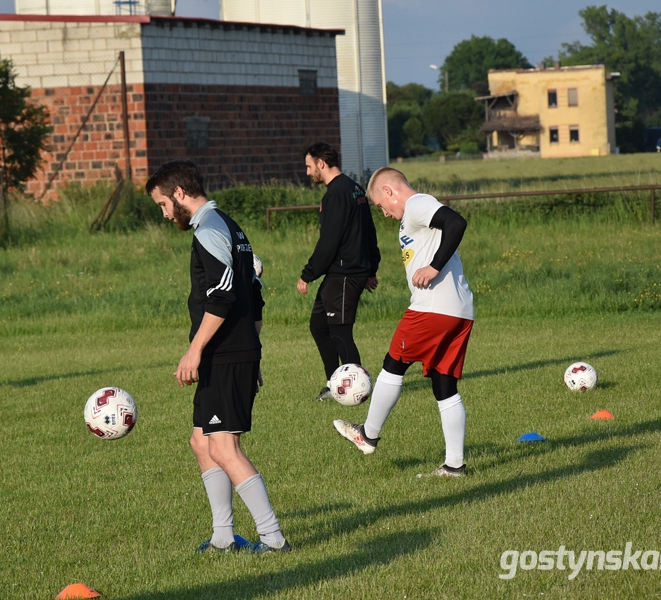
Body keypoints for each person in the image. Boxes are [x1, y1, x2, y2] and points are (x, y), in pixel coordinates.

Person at [146, 160, 290, 553]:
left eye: (162, 205)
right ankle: (223, 537)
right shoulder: (228, 225)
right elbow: (254, 295)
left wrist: (195, 350)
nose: (163, 214)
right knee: (201, 442)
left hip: (225, 352)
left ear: (179, 194)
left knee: (224, 447)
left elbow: (224, 296)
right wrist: (254, 351)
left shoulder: (209, 230)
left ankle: (274, 540)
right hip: (231, 351)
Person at [333, 167, 474, 477]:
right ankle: (454, 466)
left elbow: (456, 222)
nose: (385, 213)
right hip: (459, 310)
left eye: (382, 206)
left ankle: (367, 435)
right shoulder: (414, 212)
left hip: (433, 307)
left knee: (394, 363)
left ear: (389, 192)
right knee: (444, 385)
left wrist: (435, 267)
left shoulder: (416, 204)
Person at [297, 142, 381, 402]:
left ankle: (359, 389)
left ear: (321, 163)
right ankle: (335, 383)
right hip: (344, 272)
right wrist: (371, 267)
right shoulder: (353, 188)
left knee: (340, 331)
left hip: (345, 273)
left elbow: (329, 241)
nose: (308, 172)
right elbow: (369, 233)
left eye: (309, 167)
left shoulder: (336, 193)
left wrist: (308, 273)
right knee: (319, 326)